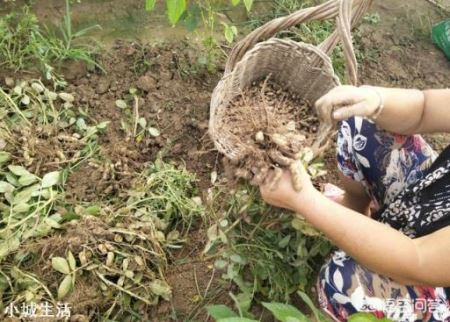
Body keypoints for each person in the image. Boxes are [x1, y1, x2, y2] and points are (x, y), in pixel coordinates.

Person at [259, 85, 450, 322]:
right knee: (361, 124)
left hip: (433, 279)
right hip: (432, 202)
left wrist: (306, 200)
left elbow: (417, 259)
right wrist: (377, 100)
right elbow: (425, 108)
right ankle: (357, 214)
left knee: (346, 287)